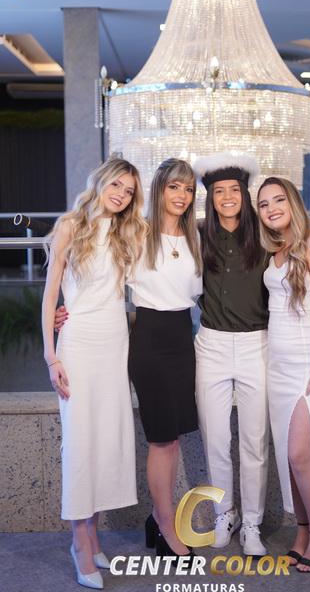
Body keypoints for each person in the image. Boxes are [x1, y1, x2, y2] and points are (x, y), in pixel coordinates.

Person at [42, 157, 147, 589]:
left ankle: (94, 535)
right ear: (100, 182)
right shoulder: (70, 226)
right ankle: (80, 544)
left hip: (114, 346)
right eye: (116, 185)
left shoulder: (128, 232)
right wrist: (51, 357)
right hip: (79, 345)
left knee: (105, 442)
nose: (121, 194)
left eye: (129, 191)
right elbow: (50, 294)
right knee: (81, 444)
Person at [257, 176, 310, 573]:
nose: (271, 208)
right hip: (279, 364)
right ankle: (303, 529)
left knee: (301, 451)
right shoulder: (274, 249)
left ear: (293, 202)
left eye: (278, 200)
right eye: (264, 204)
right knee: (288, 455)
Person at [192, 152, 269, 557]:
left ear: (244, 193)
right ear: (210, 197)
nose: (227, 197)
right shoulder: (197, 235)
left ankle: (252, 522)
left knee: (255, 441)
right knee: (216, 439)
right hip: (212, 345)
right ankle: (226, 514)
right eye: (219, 191)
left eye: (234, 190)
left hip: (258, 344)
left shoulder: (264, 235)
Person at [127, 158, 202, 561]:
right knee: (160, 438)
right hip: (150, 339)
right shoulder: (137, 233)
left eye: (188, 189)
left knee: (172, 438)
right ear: (159, 189)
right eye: (174, 186)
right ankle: (166, 523)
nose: (182, 195)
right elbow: (101, 277)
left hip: (181, 338)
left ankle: (158, 518)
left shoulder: (194, 238)